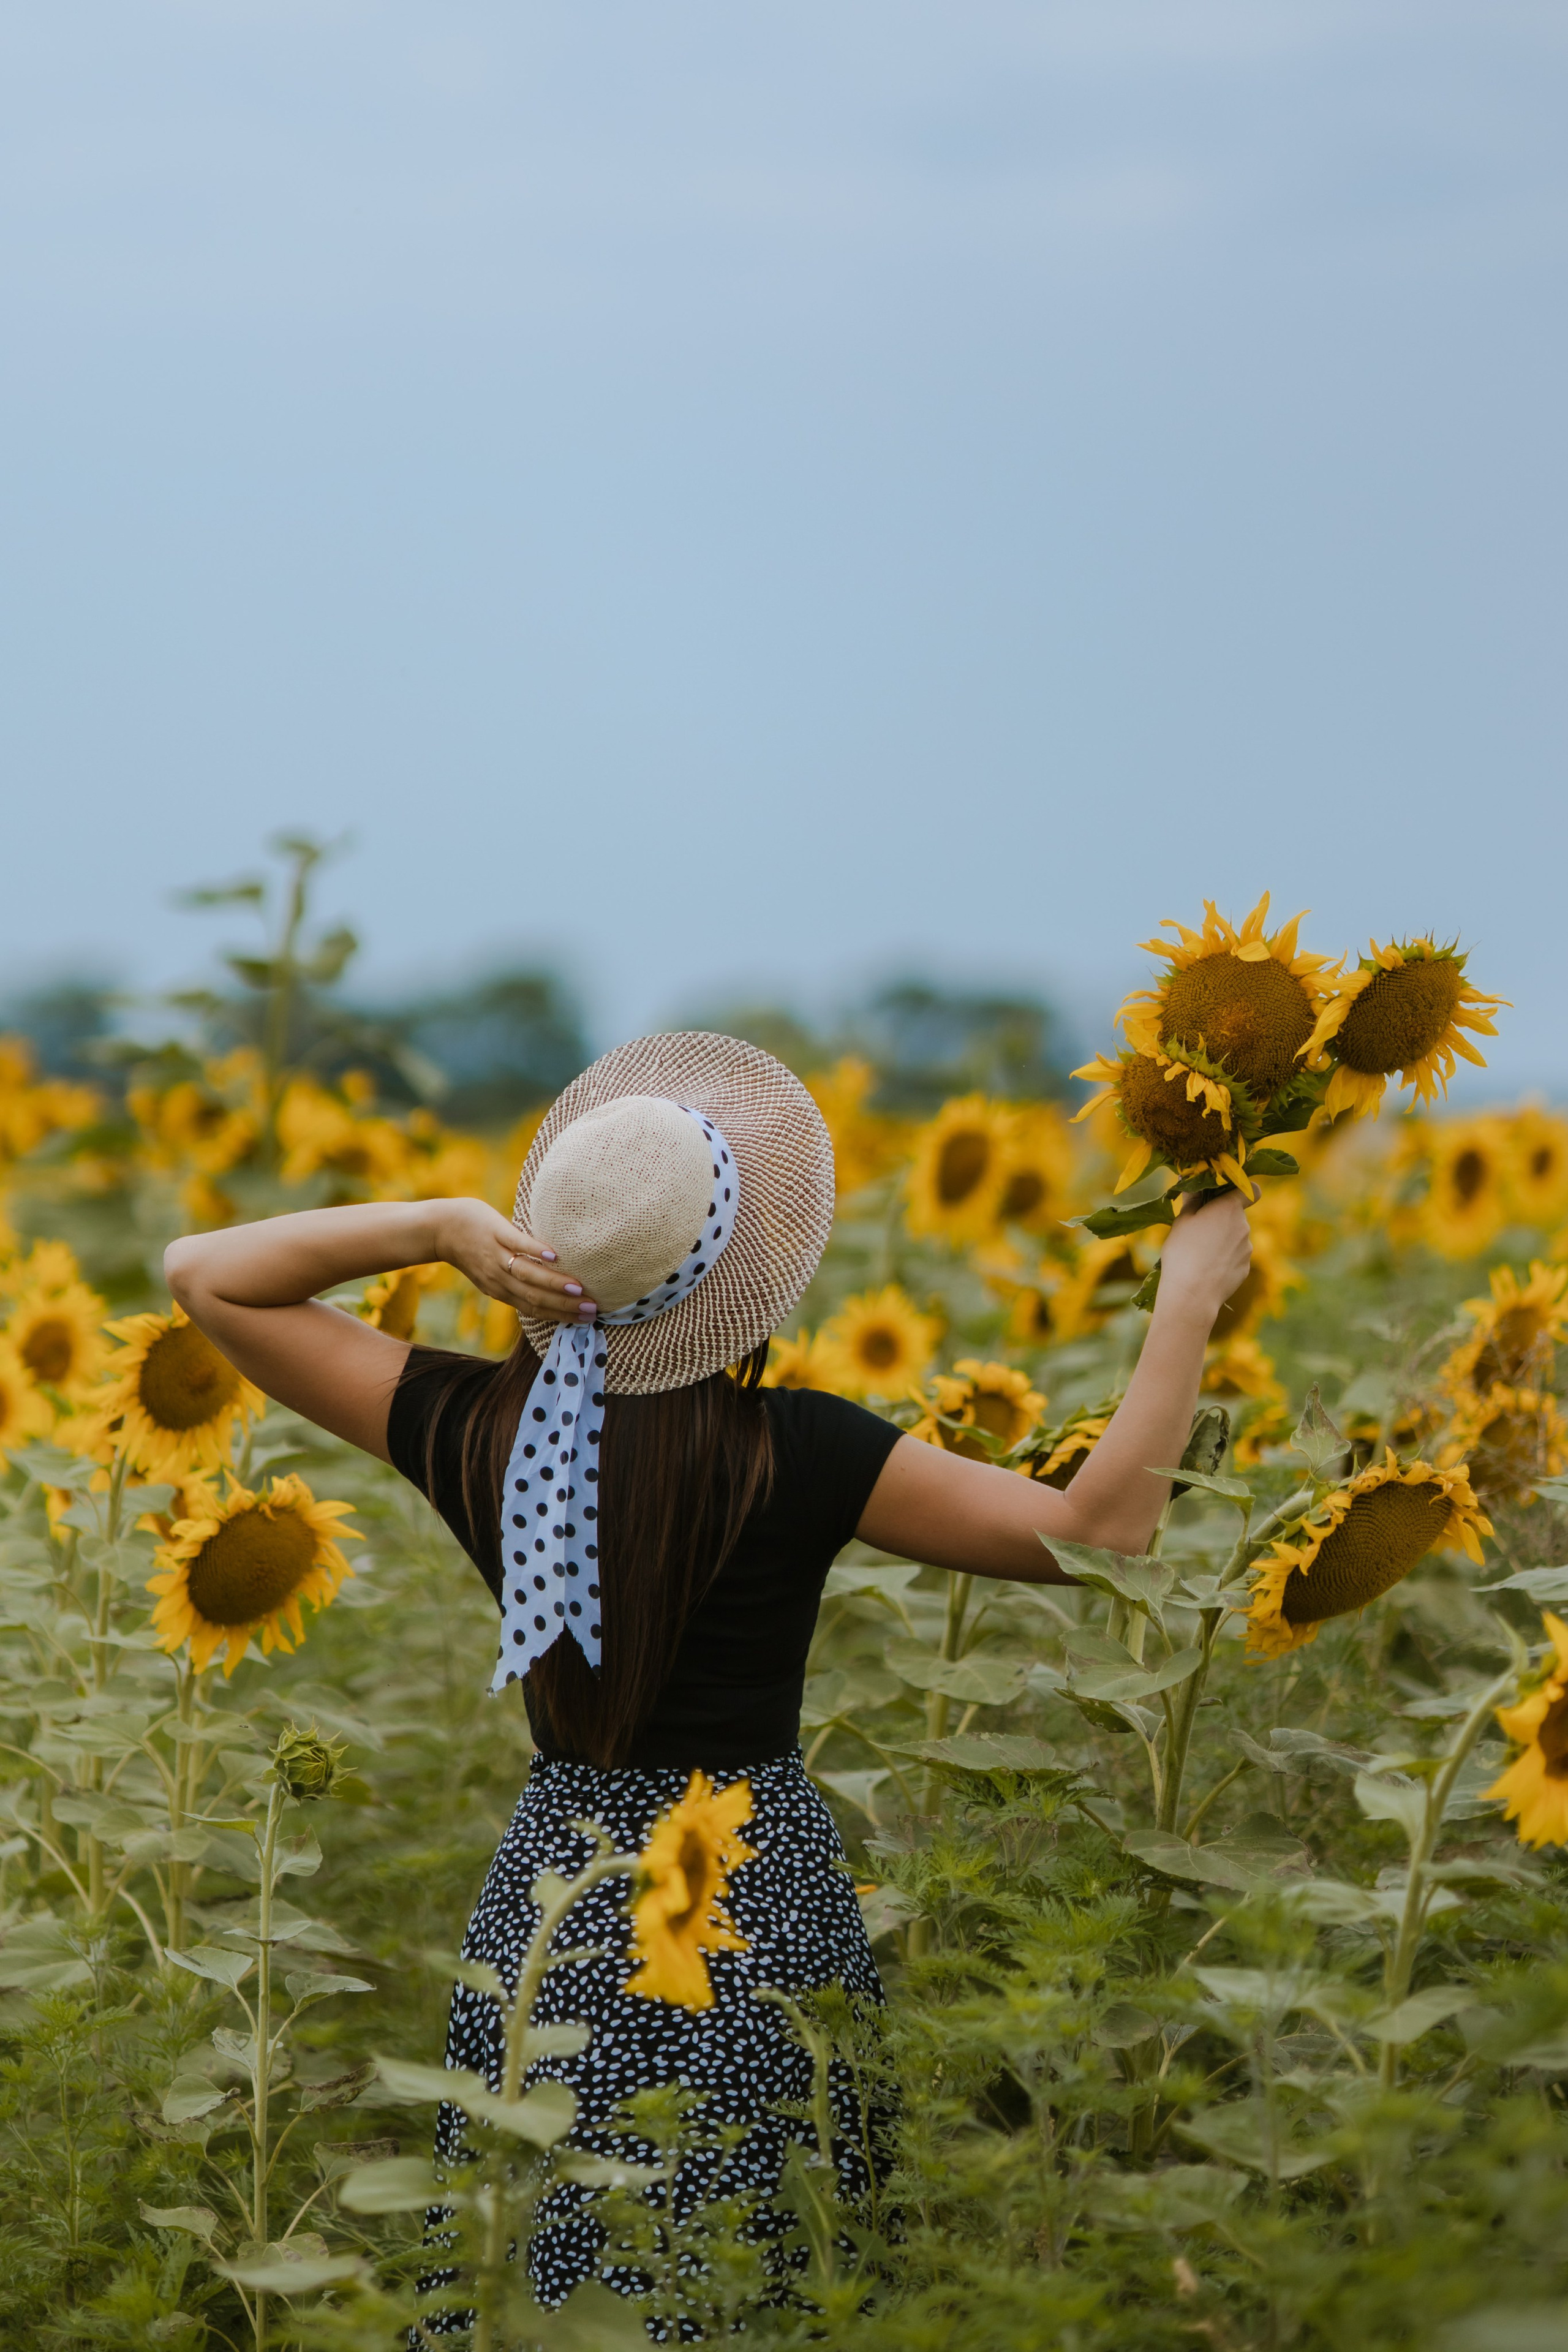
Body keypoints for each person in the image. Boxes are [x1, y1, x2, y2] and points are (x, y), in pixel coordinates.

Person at [165, 1030, 1250, 2320]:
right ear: (743, 1278)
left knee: (547, 2265)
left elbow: (206, 1275)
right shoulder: (796, 1451)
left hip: (552, 1899)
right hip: (751, 1891)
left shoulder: (474, 1427)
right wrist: (1185, 1299)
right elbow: (1098, 1535)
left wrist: (436, 1226)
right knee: (762, 2265)